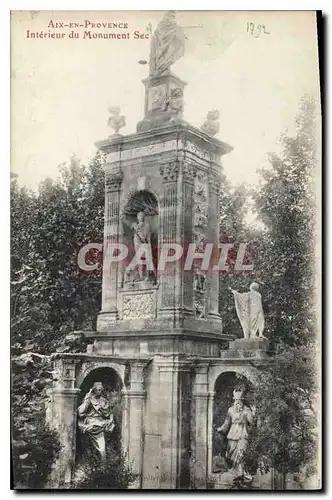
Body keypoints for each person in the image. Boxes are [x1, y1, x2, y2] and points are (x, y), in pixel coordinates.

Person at [217, 384, 255, 478]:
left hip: (243, 434)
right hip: (232, 434)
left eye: (239, 400)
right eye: (236, 400)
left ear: (242, 400)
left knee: (242, 452)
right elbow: (227, 423)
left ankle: (241, 471)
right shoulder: (230, 410)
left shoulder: (246, 410)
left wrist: (253, 414)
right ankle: (234, 470)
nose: (237, 402)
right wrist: (221, 429)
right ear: (234, 400)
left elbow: (252, 422)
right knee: (231, 453)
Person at [77, 382, 115, 462]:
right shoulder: (89, 399)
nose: (99, 392)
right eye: (98, 390)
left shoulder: (104, 401)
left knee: (102, 447)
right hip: (90, 422)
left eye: (101, 390)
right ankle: (90, 464)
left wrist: (109, 419)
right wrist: (87, 400)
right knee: (90, 448)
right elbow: (81, 412)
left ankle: (103, 466)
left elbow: (108, 413)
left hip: (100, 424)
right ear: (94, 390)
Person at [149, 11, 185, 76]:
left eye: (173, 16)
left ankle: (163, 67)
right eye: (171, 16)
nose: (172, 18)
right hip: (161, 49)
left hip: (168, 47)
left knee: (169, 56)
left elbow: (179, 41)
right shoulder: (160, 28)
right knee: (166, 57)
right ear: (166, 16)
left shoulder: (175, 28)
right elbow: (156, 38)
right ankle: (161, 67)